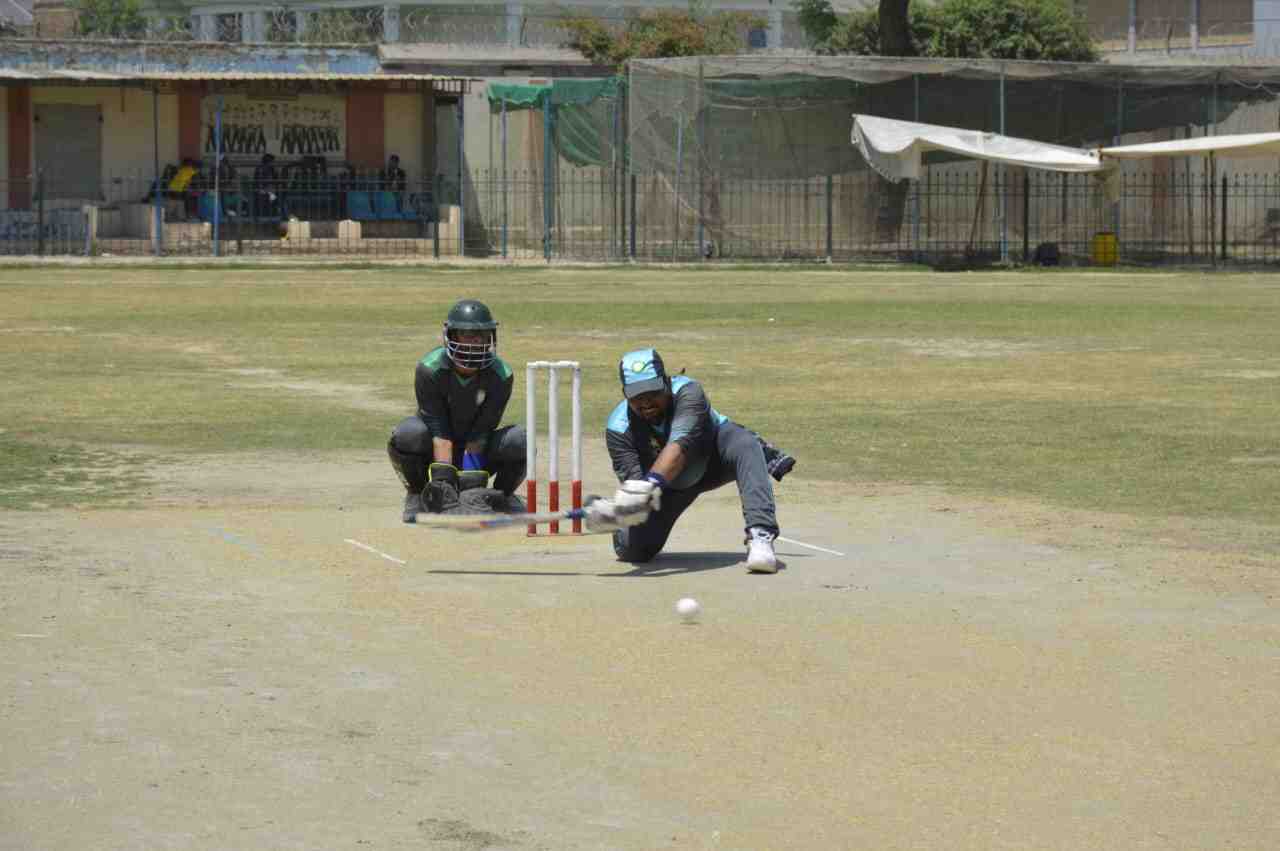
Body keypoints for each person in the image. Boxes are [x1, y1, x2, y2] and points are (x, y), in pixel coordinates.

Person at [603, 348, 796, 573]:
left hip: (714, 459)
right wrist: (625, 508)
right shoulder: (619, 429)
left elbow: (679, 446)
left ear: (666, 382)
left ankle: (760, 536)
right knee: (634, 551)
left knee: (745, 444)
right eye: (636, 396)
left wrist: (647, 485)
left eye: (652, 391)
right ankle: (625, 535)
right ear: (625, 394)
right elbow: (637, 484)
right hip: (669, 489)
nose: (645, 402)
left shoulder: (688, 392)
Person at [387, 299, 527, 523]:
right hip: (434, 448)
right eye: (466, 334)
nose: (474, 341)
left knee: (521, 440)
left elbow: (482, 431)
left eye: (481, 335)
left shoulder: (502, 374)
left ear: (491, 338)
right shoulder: (429, 368)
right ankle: (416, 494)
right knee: (408, 433)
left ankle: (502, 497)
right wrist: (445, 483)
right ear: (450, 336)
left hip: (477, 449)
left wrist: (472, 488)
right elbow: (438, 430)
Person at [252, 153, 279, 219]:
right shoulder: (261, 169)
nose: (274, 163)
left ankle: (273, 213)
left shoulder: (271, 169)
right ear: (269, 161)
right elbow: (260, 182)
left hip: (269, 190)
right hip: (262, 190)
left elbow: (275, 180)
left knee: (274, 196)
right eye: (273, 161)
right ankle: (269, 214)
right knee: (272, 196)